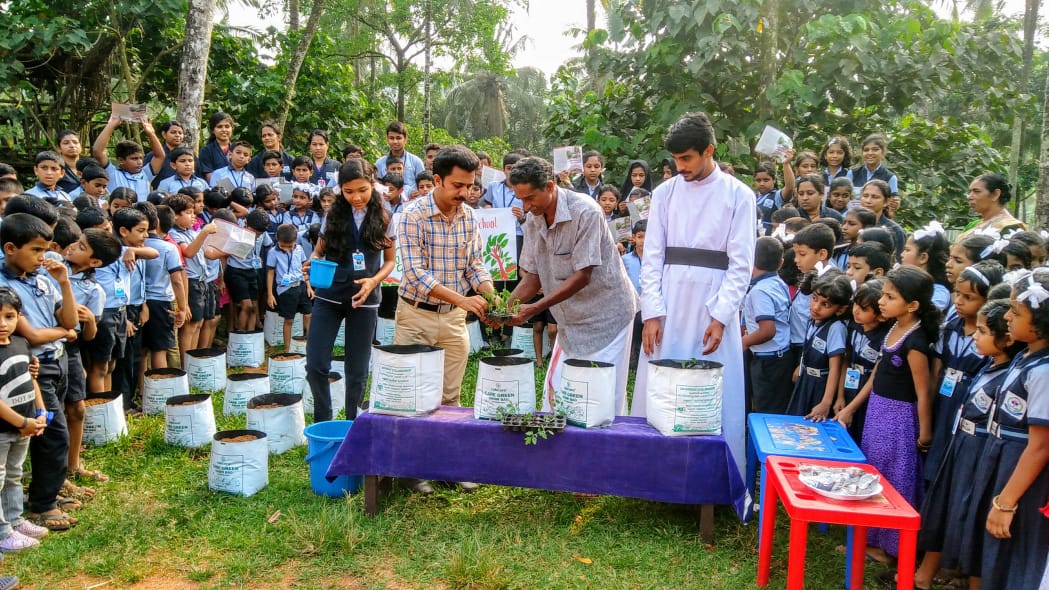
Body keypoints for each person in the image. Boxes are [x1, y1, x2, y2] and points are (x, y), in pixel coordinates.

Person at [631, 113, 755, 484]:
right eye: (676, 160)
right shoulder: (665, 193)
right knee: (660, 382)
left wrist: (720, 315)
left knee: (713, 388)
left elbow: (741, 263)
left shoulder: (739, 195)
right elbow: (651, 256)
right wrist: (652, 311)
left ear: (709, 151)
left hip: (712, 304)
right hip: (668, 302)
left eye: (687, 159)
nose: (680, 167)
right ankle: (650, 475)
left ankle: (712, 480)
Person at [505, 156, 638, 413]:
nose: (526, 205)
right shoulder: (533, 218)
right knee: (557, 396)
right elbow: (532, 276)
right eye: (520, 199)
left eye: (530, 197)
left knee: (600, 400)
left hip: (607, 317)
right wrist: (505, 308)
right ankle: (561, 452)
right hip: (571, 321)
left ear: (551, 187)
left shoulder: (585, 211)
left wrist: (533, 309)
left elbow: (583, 275)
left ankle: (607, 451)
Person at [836, 266, 939, 564]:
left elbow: (923, 392)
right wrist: (852, 407)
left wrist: (925, 431)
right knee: (875, 471)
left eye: (890, 296)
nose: (882, 301)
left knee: (897, 479)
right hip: (878, 410)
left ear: (913, 305)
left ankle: (891, 546)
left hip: (900, 418)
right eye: (883, 294)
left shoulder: (916, 342)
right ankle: (869, 538)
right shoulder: (893, 329)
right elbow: (878, 372)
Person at [915, 298, 1018, 590]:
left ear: (1007, 339)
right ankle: (924, 575)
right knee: (945, 506)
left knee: (972, 520)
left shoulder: (1007, 377)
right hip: (961, 446)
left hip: (979, 456)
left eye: (983, 331)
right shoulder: (989, 366)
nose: (975, 335)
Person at [395, 145, 494, 406]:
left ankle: (446, 447)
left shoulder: (470, 217)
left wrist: (492, 296)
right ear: (437, 180)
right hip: (415, 317)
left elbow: (474, 265)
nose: (465, 193)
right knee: (409, 397)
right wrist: (464, 300)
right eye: (458, 185)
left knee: (451, 397)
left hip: (453, 319)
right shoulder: (412, 216)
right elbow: (415, 274)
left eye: (470, 186)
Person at [970, 269, 1049, 589]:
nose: (1008, 317)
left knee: (1016, 547)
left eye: (1016, 312)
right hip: (1003, 458)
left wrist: (1005, 503)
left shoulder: (1044, 371)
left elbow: (1041, 446)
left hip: (1024, 471)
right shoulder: (1026, 356)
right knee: (997, 549)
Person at [0, 214, 79, 532]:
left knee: (43, 434)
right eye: (35, 250)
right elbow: (30, 335)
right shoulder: (4, 288)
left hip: (56, 362)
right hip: (27, 369)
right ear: (9, 248)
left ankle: (40, 496)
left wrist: (64, 281)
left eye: (45, 250)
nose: (42, 257)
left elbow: (71, 321)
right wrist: (62, 331)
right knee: (53, 435)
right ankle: (42, 504)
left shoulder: (46, 278)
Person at [305, 159, 395, 422]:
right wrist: (312, 263)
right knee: (316, 364)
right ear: (340, 190)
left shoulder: (385, 215)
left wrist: (373, 281)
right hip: (329, 295)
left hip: (364, 299)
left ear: (372, 186)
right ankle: (324, 421)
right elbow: (318, 251)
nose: (356, 197)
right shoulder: (332, 214)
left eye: (362, 190)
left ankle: (352, 423)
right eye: (349, 191)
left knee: (356, 369)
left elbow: (389, 261)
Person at [0, 287, 49, 551]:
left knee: (14, 475)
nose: (2, 324)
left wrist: (39, 413)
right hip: (7, 428)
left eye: (9, 316)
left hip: (23, 428)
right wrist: (22, 422)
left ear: (19, 316)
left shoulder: (21, 344)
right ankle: (2, 533)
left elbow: (31, 381)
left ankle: (15, 520)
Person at [785, 269, 850, 418]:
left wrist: (826, 402)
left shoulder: (836, 328)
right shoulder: (813, 320)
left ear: (840, 309)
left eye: (825, 304)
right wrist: (801, 366)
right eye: (814, 299)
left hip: (821, 386)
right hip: (806, 381)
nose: (816, 307)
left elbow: (835, 368)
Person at [835, 279, 889, 444]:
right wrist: (840, 396)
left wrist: (852, 408)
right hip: (849, 386)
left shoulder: (884, 338)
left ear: (880, 316)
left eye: (864, 308)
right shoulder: (853, 326)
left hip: (868, 394)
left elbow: (875, 375)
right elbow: (846, 360)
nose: (856, 311)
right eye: (855, 304)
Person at [743, 236, 793, 414]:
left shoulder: (760, 291)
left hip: (768, 362)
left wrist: (743, 342)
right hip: (780, 357)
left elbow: (767, 330)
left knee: (766, 409)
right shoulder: (778, 283)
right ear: (781, 263)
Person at [91, 110, 166, 197]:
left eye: (140, 158)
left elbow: (160, 156)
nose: (139, 162)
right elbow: (97, 151)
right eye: (134, 158)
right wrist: (111, 125)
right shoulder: (112, 173)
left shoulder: (145, 174)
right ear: (121, 160)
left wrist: (151, 133)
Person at [267, 225, 312, 352]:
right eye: (283, 246)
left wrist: (308, 286)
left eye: (290, 246)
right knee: (289, 320)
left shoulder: (300, 249)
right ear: (277, 238)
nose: (287, 249)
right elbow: (270, 272)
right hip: (285, 289)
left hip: (301, 285)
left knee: (308, 314)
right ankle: (287, 349)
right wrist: (270, 294)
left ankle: (309, 343)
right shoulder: (272, 252)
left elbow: (304, 268)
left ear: (295, 240)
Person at [902, 221, 951, 311]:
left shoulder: (938, 293)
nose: (902, 255)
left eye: (907, 250)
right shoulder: (905, 283)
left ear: (923, 257)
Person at [858, 179, 906, 262]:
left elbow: (899, 260)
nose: (868, 201)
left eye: (875, 197)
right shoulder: (852, 223)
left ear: (886, 202)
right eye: (865, 196)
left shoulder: (894, 230)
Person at [375, 122, 425, 195]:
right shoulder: (379, 163)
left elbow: (424, 184)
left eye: (398, 138)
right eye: (391, 138)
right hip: (387, 203)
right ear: (387, 139)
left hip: (412, 203)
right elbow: (377, 185)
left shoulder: (416, 162)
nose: (395, 141)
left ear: (405, 139)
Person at [198, 112, 235, 181]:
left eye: (227, 126)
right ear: (213, 130)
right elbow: (209, 176)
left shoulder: (237, 149)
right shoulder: (206, 151)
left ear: (232, 128)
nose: (224, 130)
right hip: (215, 189)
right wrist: (228, 189)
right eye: (219, 127)